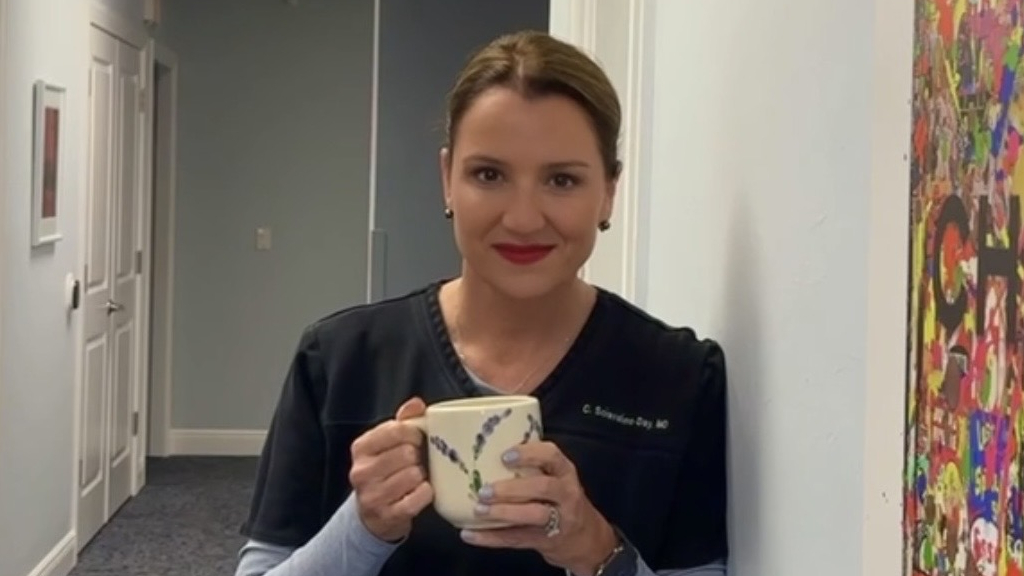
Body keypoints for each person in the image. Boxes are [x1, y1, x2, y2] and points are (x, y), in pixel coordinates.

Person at [235, 30, 728, 576]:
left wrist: (595, 550)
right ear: (448, 178)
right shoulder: (340, 360)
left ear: (609, 192)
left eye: (562, 180)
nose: (522, 218)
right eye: (489, 175)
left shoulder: (677, 377)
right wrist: (364, 526)